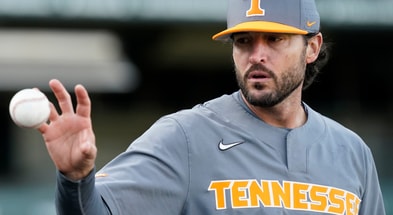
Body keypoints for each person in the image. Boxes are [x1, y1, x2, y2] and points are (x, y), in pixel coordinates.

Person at [38, 0, 386, 214]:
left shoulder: (351, 152)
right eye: (244, 41)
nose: (257, 55)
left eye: (275, 39)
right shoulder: (185, 138)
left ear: (312, 48)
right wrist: (76, 179)